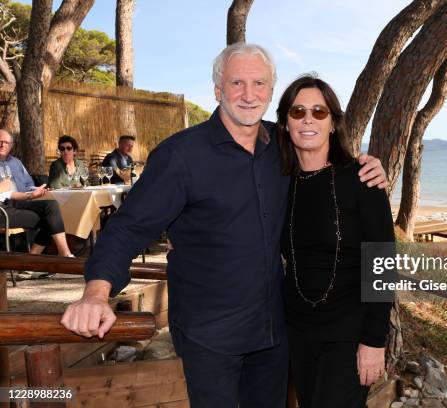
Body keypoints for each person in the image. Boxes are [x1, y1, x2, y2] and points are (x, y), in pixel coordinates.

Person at [61, 43, 388, 408]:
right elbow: (127, 228)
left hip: (273, 335)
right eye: (237, 83)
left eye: (259, 84)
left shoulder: (280, 146)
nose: (248, 95)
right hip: (210, 337)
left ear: (270, 92)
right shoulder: (180, 156)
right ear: (218, 90)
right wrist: (95, 293)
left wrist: (366, 165)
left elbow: (324, 158)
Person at [277, 74, 394, 408]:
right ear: (285, 123)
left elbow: (383, 264)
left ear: (333, 122)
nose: (308, 119)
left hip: (349, 333)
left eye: (319, 111)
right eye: (298, 112)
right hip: (298, 331)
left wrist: (374, 341)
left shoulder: (362, 179)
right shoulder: (280, 182)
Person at [0, 129, 74, 259]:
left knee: (52, 207)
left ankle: (56, 254)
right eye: (0, 142)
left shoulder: (16, 163)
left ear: (11, 145)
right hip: (3, 209)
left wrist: (38, 190)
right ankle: (38, 259)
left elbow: (28, 185)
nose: (2, 145)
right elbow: (6, 191)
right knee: (50, 220)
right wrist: (27, 195)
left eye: (6, 142)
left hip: (21, 203)